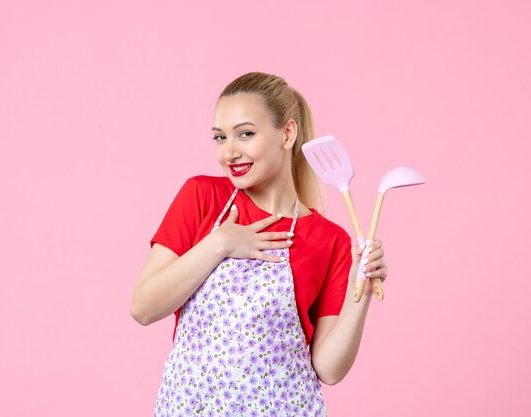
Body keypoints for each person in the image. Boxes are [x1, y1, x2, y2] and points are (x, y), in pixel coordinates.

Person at [130, 71, 389, 417]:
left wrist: (361, 293)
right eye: (220, 138)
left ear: (287, 134)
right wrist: (219, 243)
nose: (229, 152)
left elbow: (329, 368)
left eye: (245, 134)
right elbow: (144, 307)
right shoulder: (202, 197)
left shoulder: (330, 240)